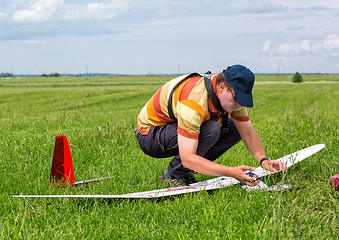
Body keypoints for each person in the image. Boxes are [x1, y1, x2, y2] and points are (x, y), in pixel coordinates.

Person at [135, 64, 287, 187]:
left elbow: (248, 133)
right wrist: (231, 172)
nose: (239, 104)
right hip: (151, 135)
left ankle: (185, 172)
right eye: (237, 98)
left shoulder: (231, 97)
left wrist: (264, 160)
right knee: (211, 129)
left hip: (172, 128)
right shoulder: (194, 101)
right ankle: (173, 176)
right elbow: (188, 157)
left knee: (235, 127)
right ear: (221, 88)